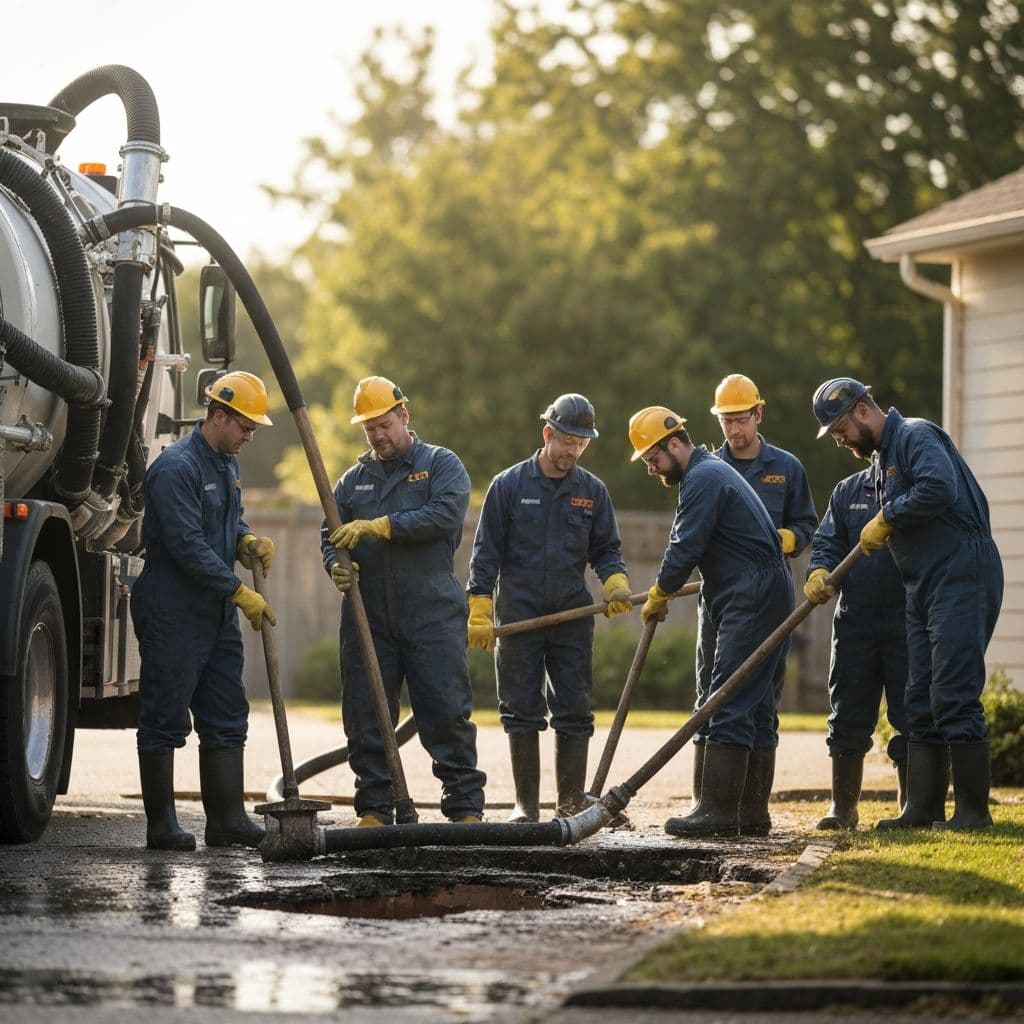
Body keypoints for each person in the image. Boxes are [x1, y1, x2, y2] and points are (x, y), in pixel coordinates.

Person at [811, 377, 1003, 830]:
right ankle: (921, 808)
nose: (839, 441)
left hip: (960, 570)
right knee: (919, 698)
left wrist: (887, 517)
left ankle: (973, 813)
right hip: (921, 581)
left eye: (839, 429)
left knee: (953, 692)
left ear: (861, 410)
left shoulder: (916, 435)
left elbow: (940, 488)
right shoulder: (880, 462)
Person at [321, 375, 485, 826]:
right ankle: (374, 807)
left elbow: (445, 514)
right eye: (369, 428)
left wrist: (380, 526)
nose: (377, 435)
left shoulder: (441, 465)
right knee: (366, 712)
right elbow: (328, 534)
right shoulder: (352, 483)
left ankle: (465, 806)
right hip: (368, 613)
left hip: (430, 609)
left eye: (384, 425)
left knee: (445, 708)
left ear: (404, 417)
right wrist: (335, 565)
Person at [630, 405, 794, 837]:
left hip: (752, 589)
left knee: (726, 698)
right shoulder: (710, 471)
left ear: (673, 444)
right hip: (744, 585)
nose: (651, 469)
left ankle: (717, 813)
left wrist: (660, 591)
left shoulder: (702, 478)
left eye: (652, 459)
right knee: (750, 704)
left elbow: (684, 545)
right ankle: (749, 813)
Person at [466, 394, 631, 821]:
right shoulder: (509, 486)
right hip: (519, 617)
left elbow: (607, 549)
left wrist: (615, 583)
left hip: (571, 618)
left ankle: (570, 803)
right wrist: (480, 608)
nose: (573, 452)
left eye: (581, 444)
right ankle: (526, 806)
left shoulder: (592, 492)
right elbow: (485, 555)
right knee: (521, 709)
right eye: (568, 442)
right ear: (547, 435)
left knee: (574, 709)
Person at [132, 370, 275, 851]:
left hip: (214, 611)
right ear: (218, 416)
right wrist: (238, 590)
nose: (251, 437)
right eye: (246, 427)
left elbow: (229, 522)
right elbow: (186, 545)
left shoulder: (224, 464)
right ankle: (161, 825)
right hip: (172, 609)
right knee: (165, 715)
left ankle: (227, 820)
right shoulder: (176, 468)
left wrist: (247, 539)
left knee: (226, 711)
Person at [701, 373, 818, 830]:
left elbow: (807, 524)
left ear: (759, 413)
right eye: (726, 421)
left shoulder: (786, 467)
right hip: (719, 598)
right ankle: (708, 803)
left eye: (740, 419)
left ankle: (753, 812)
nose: (733, 430)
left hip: (767, 597)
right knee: (709, 694)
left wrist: (792, 538)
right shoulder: (710, 468)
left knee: (762, 700)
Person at [804, 466, 908, 829]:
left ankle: (911, 807)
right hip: (855, 621)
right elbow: (828, 541)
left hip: (907, 619)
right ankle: (842, 808)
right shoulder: (848, 491)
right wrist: (819, 570)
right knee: (847, 713)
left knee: (913, 714)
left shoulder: (912, 487)